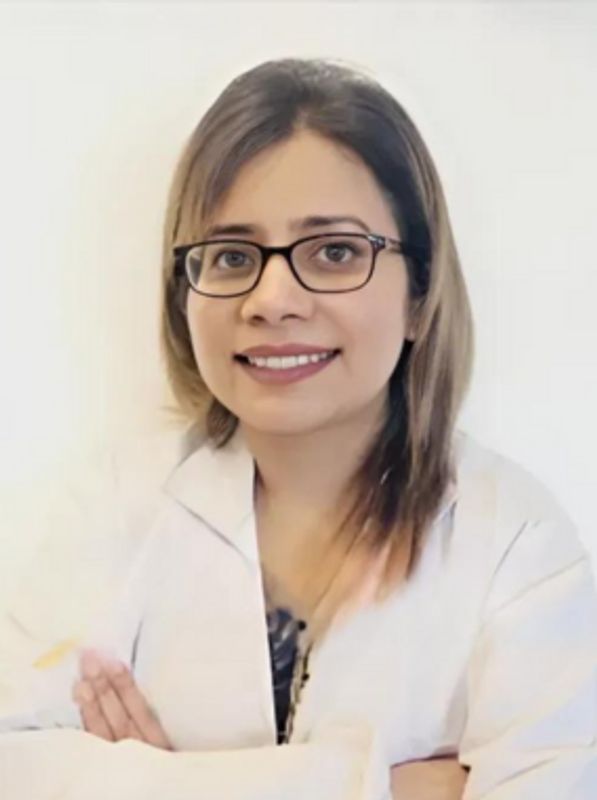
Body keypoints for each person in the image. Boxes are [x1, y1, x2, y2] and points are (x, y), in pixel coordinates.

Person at [1, 57, 596, 799]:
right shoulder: (108, 503)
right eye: (230, 256)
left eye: (335, 251)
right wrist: (368, 785)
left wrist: (155, 783)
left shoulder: (518, 544)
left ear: (420, 293)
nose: (272, 298)